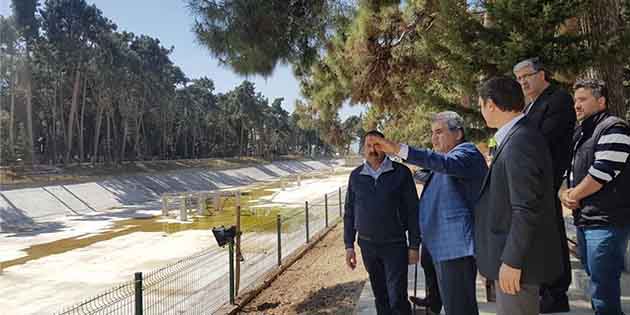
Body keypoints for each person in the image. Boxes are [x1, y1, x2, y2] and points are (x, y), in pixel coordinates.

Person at [373, 111, 488, 315]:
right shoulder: (447, 158)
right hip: (442, 246)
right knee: (452, 306)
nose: (433, 138)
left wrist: (399, 149)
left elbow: (444, 165)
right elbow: (433, 170)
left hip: (456, 247)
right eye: (432, 133)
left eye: (439, 132)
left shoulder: (466, 152)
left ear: (458, 133)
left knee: (460, 308)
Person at [475, 76, 564, 315]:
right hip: (513, 260)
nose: (481, 111)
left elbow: (526, 207)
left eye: (481, 105)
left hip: (519, 265)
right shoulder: (518, 137)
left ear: (491, 104)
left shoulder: (520, 141)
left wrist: (512, 261)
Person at [560, 79, 630, 315]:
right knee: (597, 285)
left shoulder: (614, 128)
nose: (576, 105)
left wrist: (574, 194)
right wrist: (563, 194)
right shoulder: (582, 131)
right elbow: (569, 169)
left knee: (604, 290)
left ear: (601, 101)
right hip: (585, 219)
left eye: (583, 99)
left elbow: (603, 171)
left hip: (607, 222)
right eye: (575, 100)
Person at [513, 57, 576, 313]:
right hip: (532, 181)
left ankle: (556, 292)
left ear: (542, 74)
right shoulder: (529, 107)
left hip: (545, 179)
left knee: (551, 236)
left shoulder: (557, 100)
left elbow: (543, 139)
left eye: (527, 76)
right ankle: (545, 289)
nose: (523, 82)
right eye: (519, 79)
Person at [344, 130, 420, 315]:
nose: (373, 149)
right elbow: (349, 212)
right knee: (381, 296)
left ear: (385, 146)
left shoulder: (401, 173)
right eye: (369, 145)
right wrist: (349, 245)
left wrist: (414, 246)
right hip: (367, 245)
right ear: (363, 149)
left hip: (395, 244)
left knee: (397, 297)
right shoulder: (356, 176)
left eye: (377, 144)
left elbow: (413, 211)